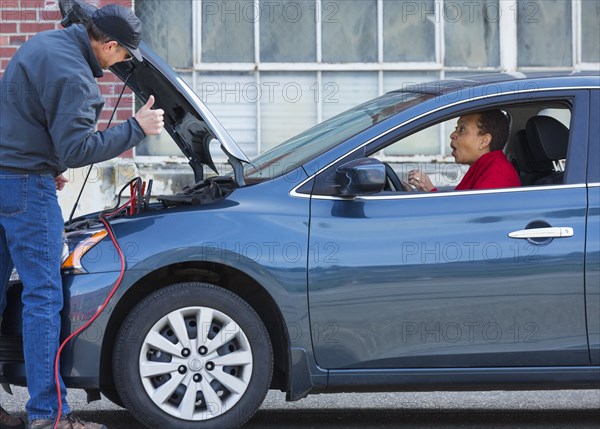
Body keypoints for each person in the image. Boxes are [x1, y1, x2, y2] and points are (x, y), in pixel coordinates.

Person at [0, 4, 164, 429]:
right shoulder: (75, 78)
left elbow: (24, 118)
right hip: (24, 190)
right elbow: (78, 150)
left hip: (6, 175)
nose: (123, 62)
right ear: (107, 45)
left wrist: (44, 163)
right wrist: (136, 128)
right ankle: (49, 417)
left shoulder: (44, 43)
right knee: (44, 299)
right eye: (124, 54)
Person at [407, 109, 520, 192]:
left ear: (484, 141)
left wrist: (429, 190)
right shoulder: (484, 167)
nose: (452, 135)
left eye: (462, 129)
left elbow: (467, 219)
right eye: (456, 129)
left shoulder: (498, 173)